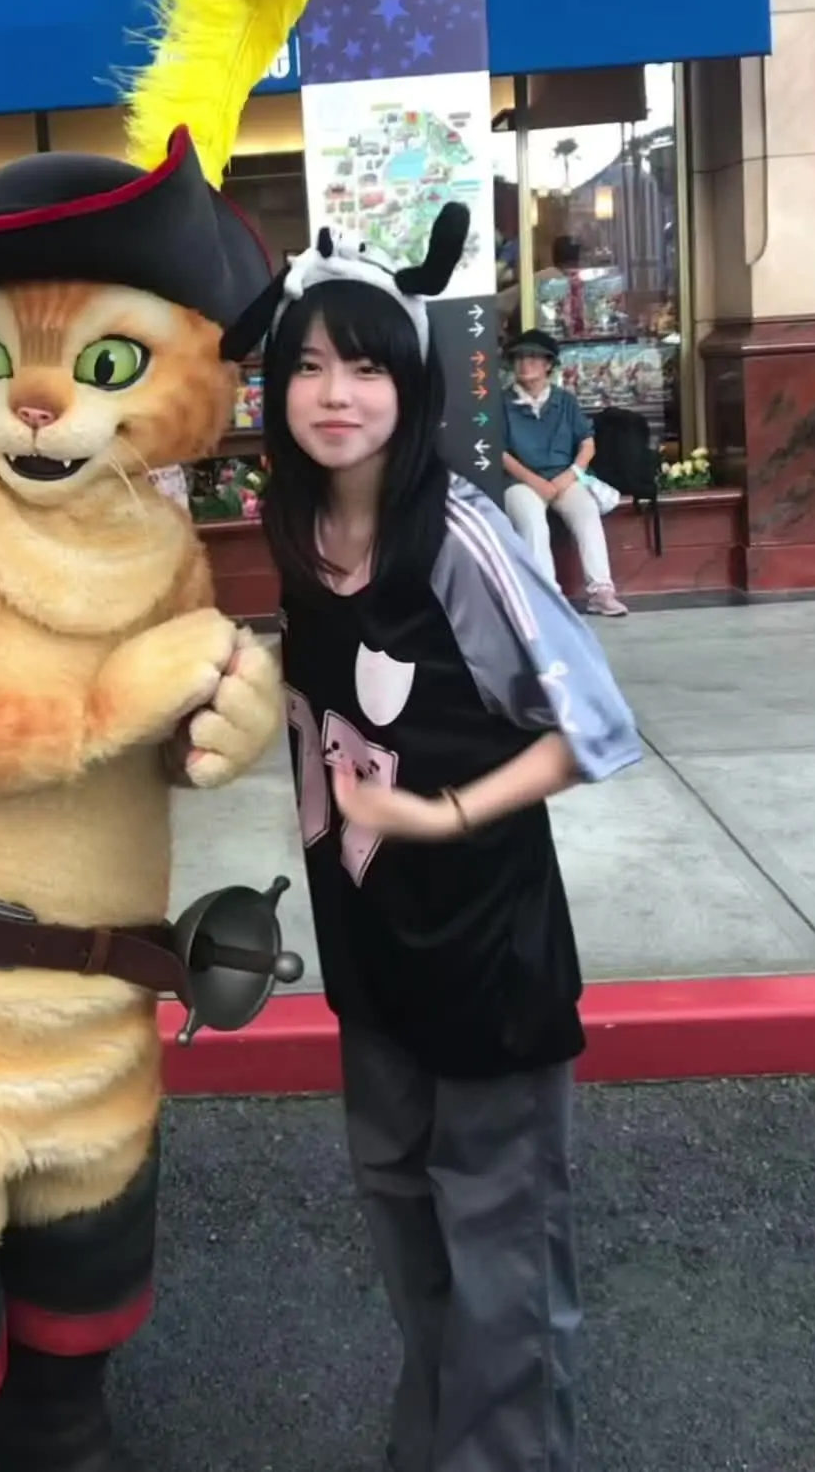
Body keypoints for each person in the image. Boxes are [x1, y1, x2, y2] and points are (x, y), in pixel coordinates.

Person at [223, 216, 641, 1472]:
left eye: (366, 366)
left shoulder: (460, 533)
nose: (335, 394)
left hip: (486, 947)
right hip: (371, 947)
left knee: (502, 1247)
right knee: (405, 1217)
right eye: (308, 365)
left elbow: (594, 725)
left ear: (410, 383)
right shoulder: (296, 532)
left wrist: (444, 815)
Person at [500, 328, 628, 618]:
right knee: (532, 519)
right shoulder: (502, 402)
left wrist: (569, 476)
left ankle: (601, 591)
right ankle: (546, 596)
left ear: (548, 364)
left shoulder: (564, 400)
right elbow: (500, 452)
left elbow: (587, 444)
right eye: (519, 358)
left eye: (533, 358)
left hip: (563, 477)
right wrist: (536, 483)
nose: (525, 364)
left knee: (586, 511)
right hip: (521, 480)